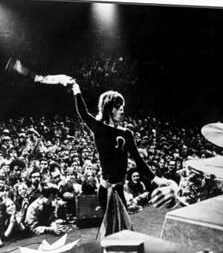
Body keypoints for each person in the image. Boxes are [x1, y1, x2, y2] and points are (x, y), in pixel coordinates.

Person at [67, 77, 178, 237]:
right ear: (110, 108)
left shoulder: (127, 134)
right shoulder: (99, 128)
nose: (122, 110)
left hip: (119, 188)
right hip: (106, 190)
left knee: (124, 231)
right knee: (112, 232)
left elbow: (139, 161)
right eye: (119, 107)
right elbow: (83, 113)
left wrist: (155, 179)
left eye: (123, 107)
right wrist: (76, 89)